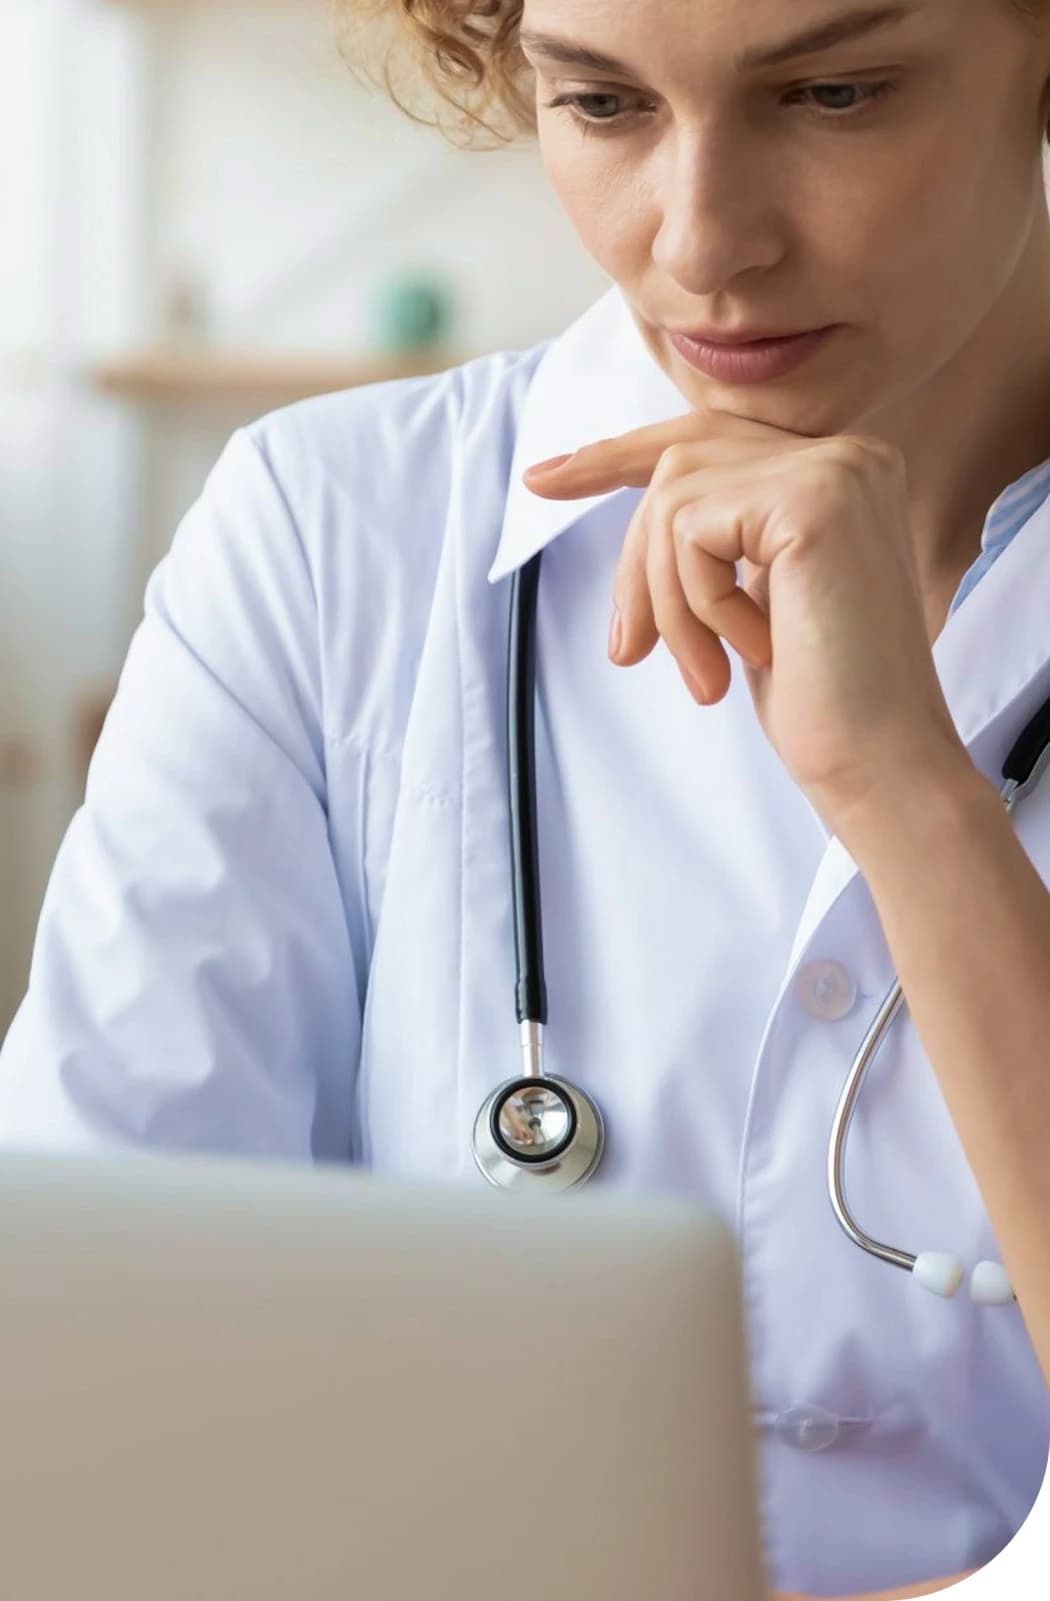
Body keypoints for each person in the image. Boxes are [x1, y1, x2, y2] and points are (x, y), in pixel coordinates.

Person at [3, 0, 1050, 1595]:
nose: (701, 244)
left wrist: (911, 799)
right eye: (602, 103)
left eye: (835, 93)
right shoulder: (326, 537)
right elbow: (90, 1355)